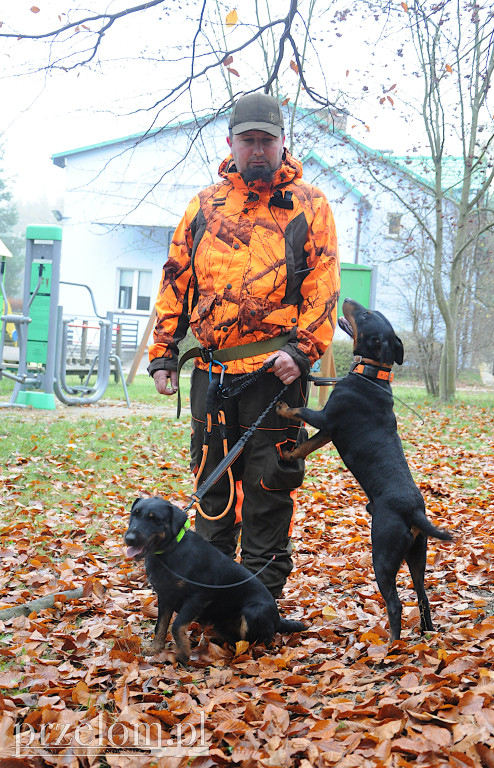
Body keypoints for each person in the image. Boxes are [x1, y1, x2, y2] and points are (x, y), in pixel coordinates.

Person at [148, 92, 339, 598]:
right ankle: (209, 595)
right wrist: (164, 351)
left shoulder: (310, 206)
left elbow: (324, 286)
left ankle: (260, 600)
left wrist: (301, 352)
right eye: (248, 140)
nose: (258, 150)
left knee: (269, 486)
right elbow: (176, 279)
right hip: (211, 374)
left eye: (267, 141)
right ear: (231, 142)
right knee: (210, 487)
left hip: (276, 374)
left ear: (282, 143)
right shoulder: (204, 206)